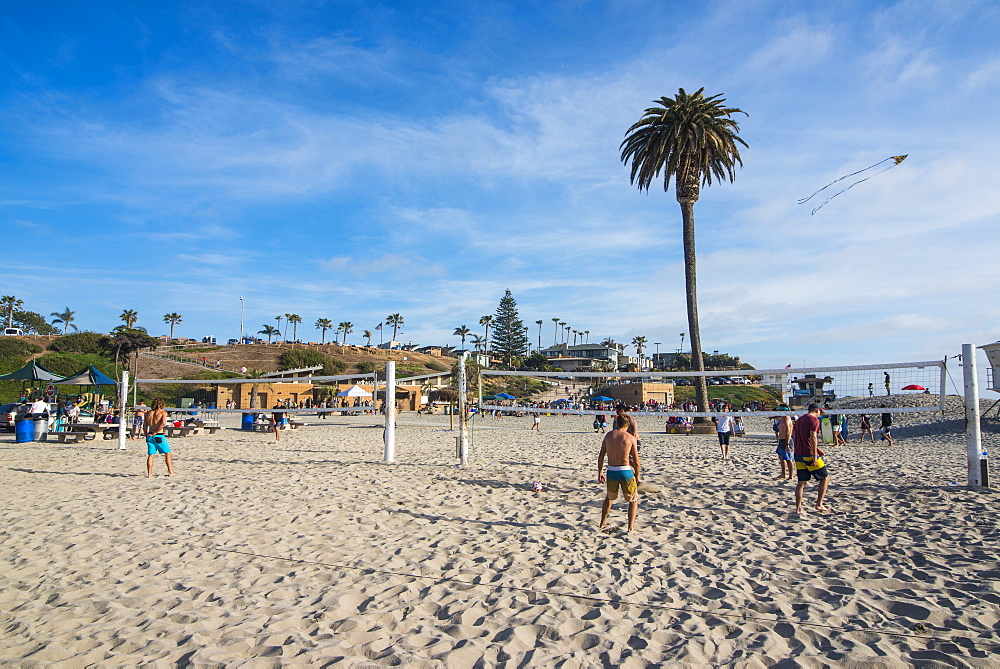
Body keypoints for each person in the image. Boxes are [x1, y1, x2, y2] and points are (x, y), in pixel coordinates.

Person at [597, 414, 641, 533]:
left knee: (609, 498)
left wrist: (600, 471)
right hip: (625, 470)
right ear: (628, 425)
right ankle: (630, 528)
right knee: (633, 500)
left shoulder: (609, 435)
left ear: (617, 423)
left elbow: (601, 456)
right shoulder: (630, 438)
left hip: (611, 470)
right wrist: (637, 476)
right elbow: (636, 461)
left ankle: (602, 524)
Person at [792, 403, 830, 513]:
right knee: (825, 477)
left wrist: (817, 449)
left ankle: (798, 508)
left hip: (798, 454)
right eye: (820, 413)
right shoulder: (813, 420)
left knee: (801, 482)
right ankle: (819, 504)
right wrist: (814, 456)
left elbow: (798, 436)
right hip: (808, 454)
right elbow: (813, 437)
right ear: (817, 410)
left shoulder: (799, 420)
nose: (820, 415)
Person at [143, 398, 175, 478]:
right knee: (167, 453)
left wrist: (146, 434)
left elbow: (144, 425)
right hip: (158, 435)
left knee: (151, 455)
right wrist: (156, 431)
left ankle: (149, 474)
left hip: (150, 435)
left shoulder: (149, 413)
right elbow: (163, 423)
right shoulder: (162, 412)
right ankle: (170, 472)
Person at [775, 414, 794, 481]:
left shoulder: (786, 419)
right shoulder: (782, 418)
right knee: (780, 457)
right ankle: (783, 474)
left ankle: (791, 476)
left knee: (788, 459)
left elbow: (788, 433)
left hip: (786, 440)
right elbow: (777, 417)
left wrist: (787, 444)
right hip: (781, 440)